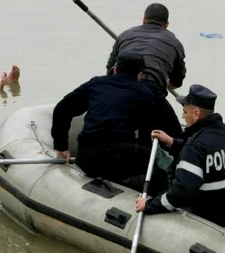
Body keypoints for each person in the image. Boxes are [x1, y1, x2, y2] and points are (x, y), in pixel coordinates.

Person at [134, 84, 225, 248]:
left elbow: (180, 193)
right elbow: (206, 152)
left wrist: (148, 204)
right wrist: (172, 142)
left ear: (197, 114)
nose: (183, 116)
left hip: (219, 230)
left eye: (185, 111)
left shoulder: (195, 146)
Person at [51, 52, 167, 193]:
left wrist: (61, 146)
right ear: (139, 75)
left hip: (86, 157)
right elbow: (147, 134)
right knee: (159, 161)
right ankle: (157, 199)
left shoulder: (96, 84)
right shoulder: (145, 94)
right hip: (119, 158)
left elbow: (62, 109)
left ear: (115, 69)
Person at [105, 3, 187, 139]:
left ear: (143, 20)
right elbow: (177, 81)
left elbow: (109, 70)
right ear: (166, 24)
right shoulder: (174, 43)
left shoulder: (125, 35)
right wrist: (163, 81)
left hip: (117, 87)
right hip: (151, 89)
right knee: (177, 138)